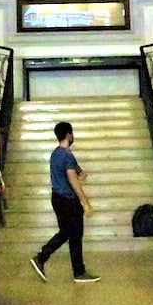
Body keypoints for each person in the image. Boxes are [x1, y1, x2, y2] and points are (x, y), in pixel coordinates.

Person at [30, 121, 100, 283]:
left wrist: (80, 174)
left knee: (68, 232)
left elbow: (77, 173)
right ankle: (48, 259)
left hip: (57, 198)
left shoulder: (56, 154)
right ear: (69, 135)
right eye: (72, 133)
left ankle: (47, 259)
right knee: (72, 234)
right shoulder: (67, 156)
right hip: (68, 201)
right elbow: (73, 180)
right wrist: (86, 202)